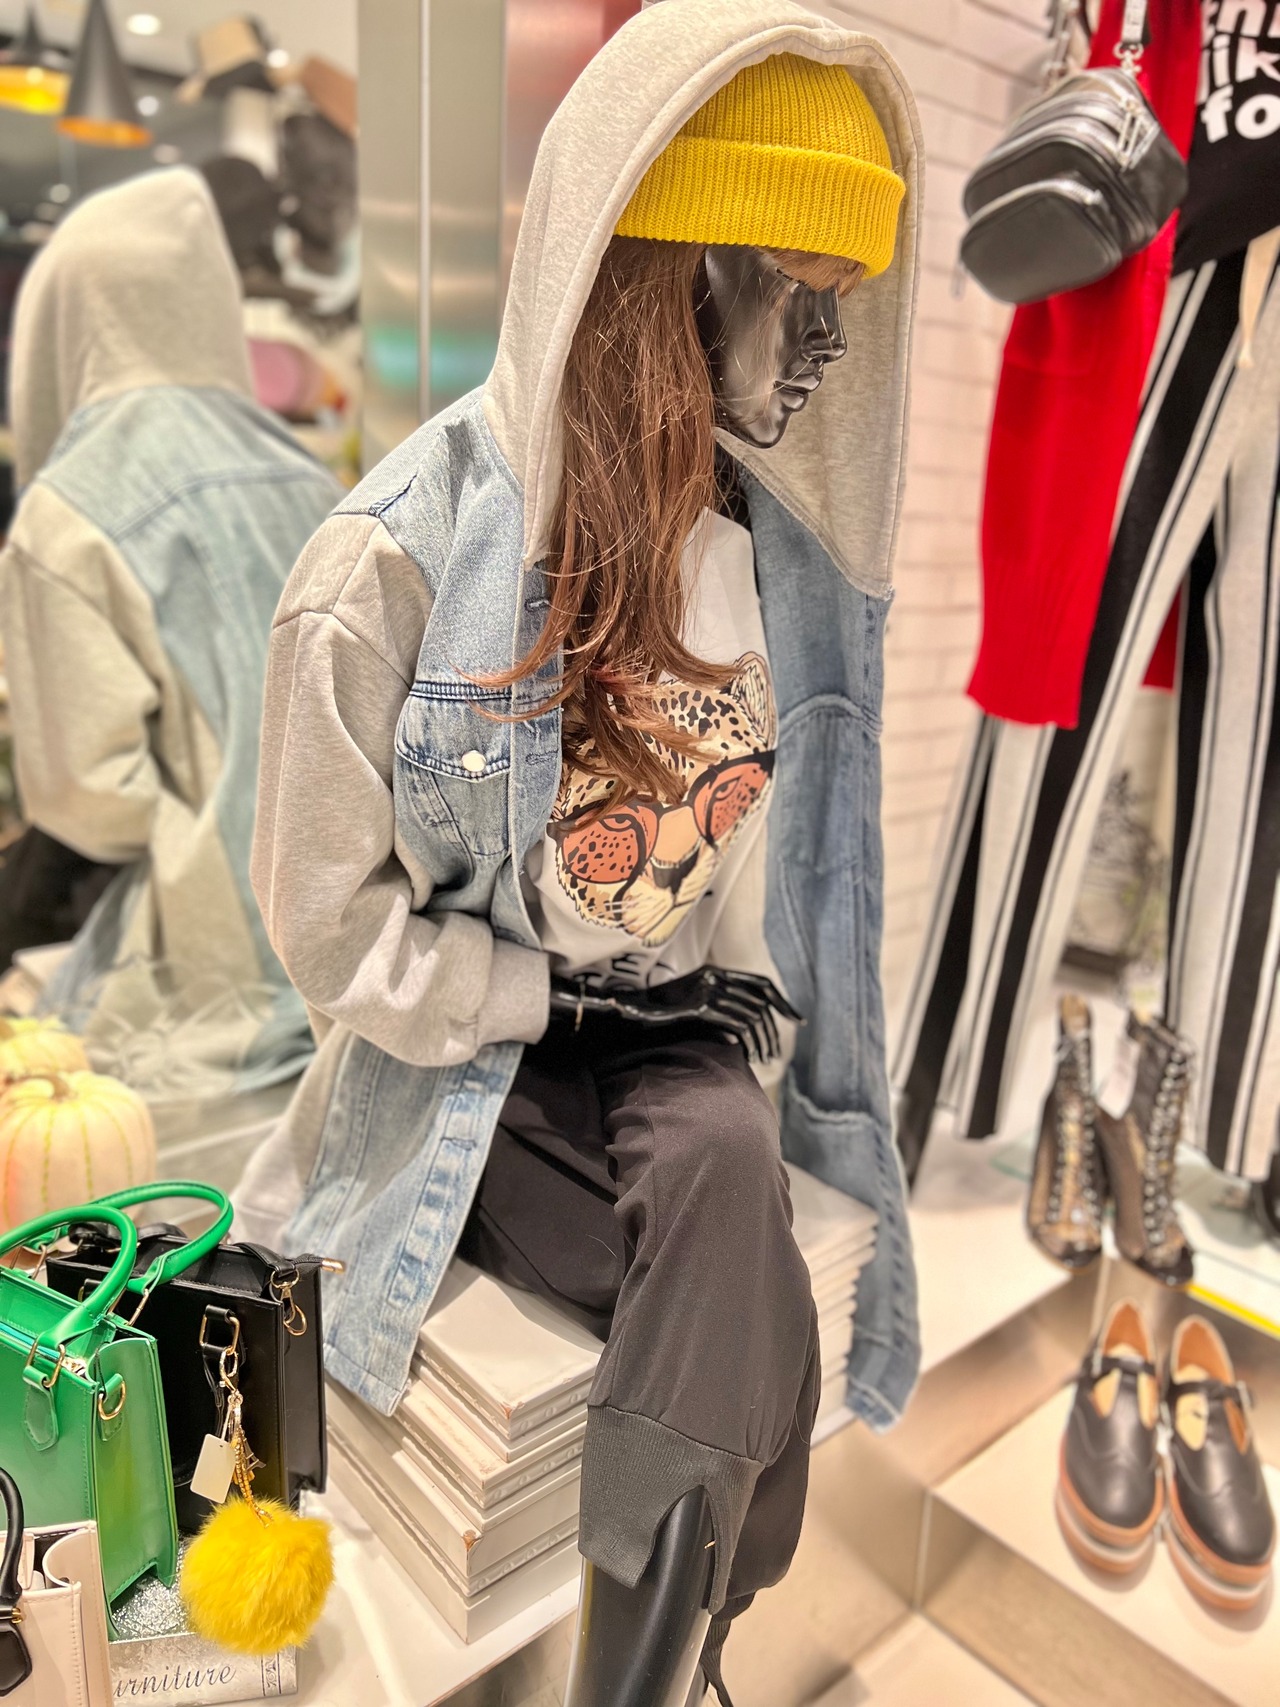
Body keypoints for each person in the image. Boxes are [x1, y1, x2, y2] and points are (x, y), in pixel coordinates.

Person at [240, 3, 920, 1700]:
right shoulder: (392, 566)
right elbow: (325, 922)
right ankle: (679, 1663)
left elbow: (768, 893)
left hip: (663, 1033)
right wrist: (527, 994)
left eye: (847, 295)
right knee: (741, 1285)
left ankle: (650, 1670)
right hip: (478, 1046)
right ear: (652, 273)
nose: (828, 343)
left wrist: (734, 1019)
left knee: (727, 1180)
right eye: (794, 284)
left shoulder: (777, 566)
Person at [0, 168, 341, 1092]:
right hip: (353, 963)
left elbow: (86, 796)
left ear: (65, 319)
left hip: (206, 992)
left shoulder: (66, 514)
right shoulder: (309, 475)